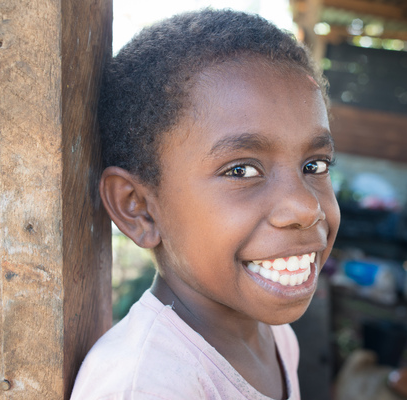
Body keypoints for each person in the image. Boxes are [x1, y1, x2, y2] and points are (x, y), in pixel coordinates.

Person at [70, 8, 340, 400]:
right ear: (139, 208)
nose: (305, 207)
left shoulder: (274, 335)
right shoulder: (147, 385)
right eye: (242, 171)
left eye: (314, 165)